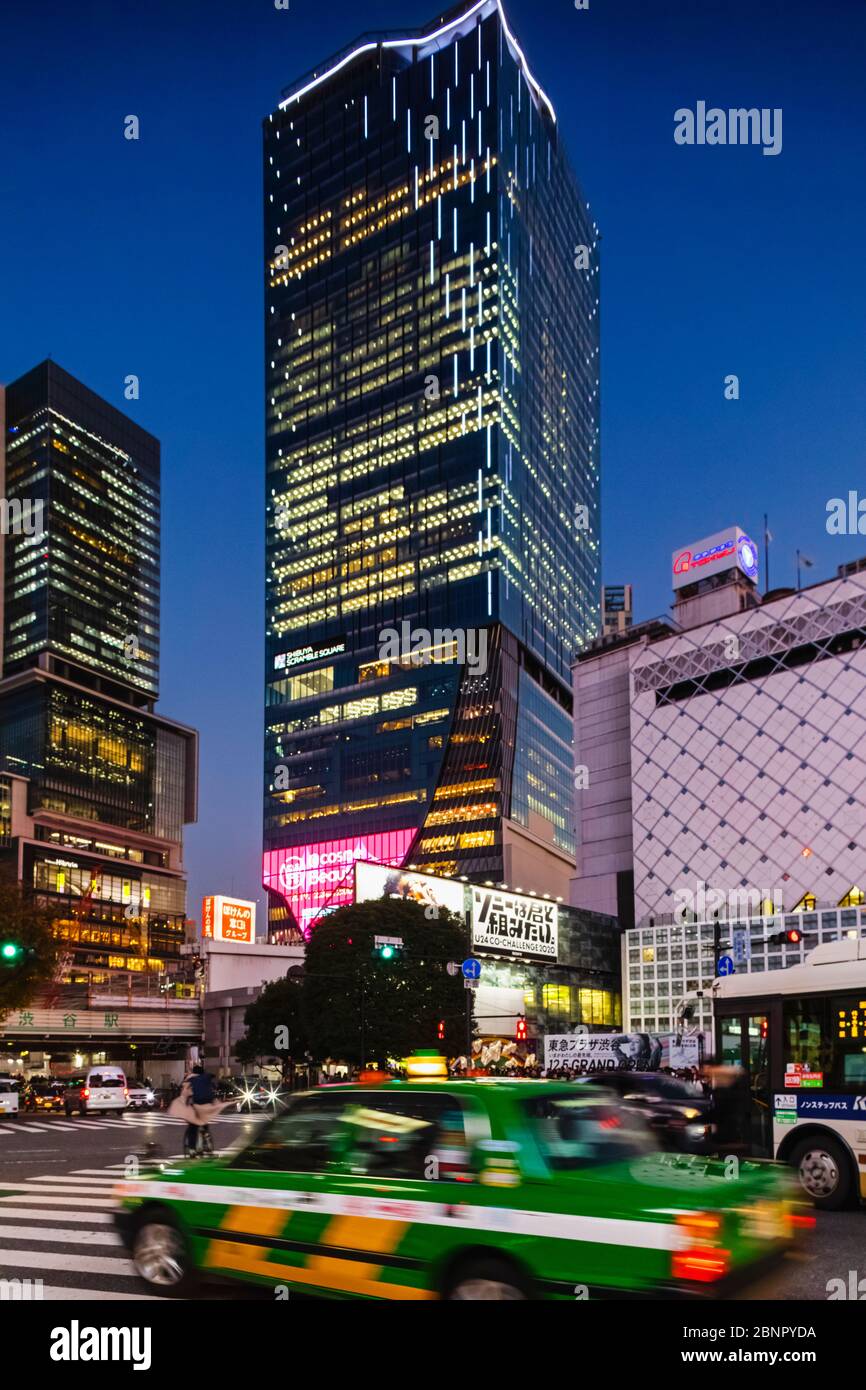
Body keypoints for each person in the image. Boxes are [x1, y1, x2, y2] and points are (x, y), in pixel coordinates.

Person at [184, 1064, 215, 1157]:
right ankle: (207, 1141)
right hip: (208, 1104)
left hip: (197, 1104)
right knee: (204, 1122)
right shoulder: (207, 1078)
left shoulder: (192, 1080)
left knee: (192, 1127)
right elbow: (213, 1086)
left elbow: (186, 1094)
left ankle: (192, 1149)